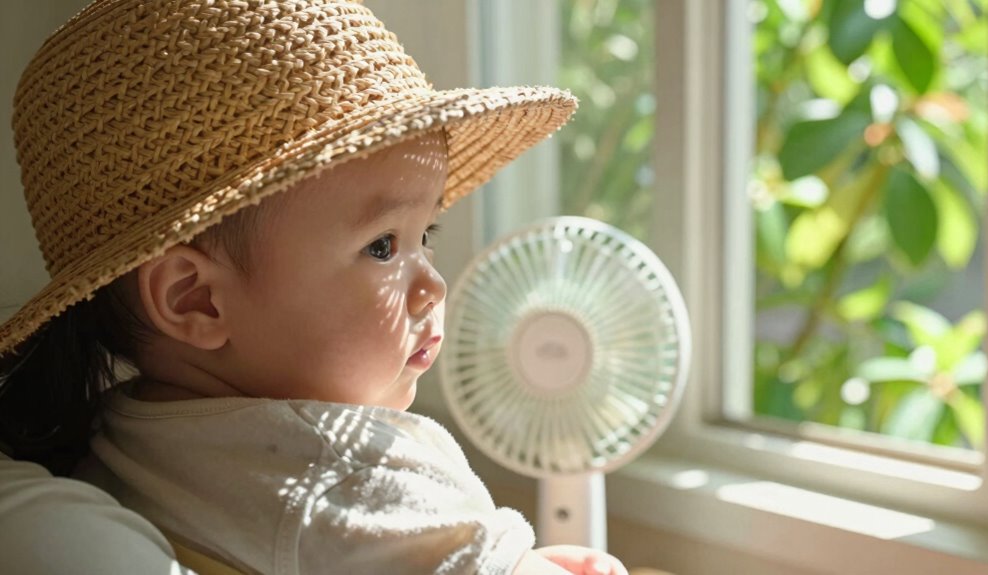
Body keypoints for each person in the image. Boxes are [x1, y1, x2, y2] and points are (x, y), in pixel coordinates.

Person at [0, 0, 628, 574]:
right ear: (195, 300)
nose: (432, 285)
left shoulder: (121, 435)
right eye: (382, 246)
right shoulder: (345, 472)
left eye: (424, 234)